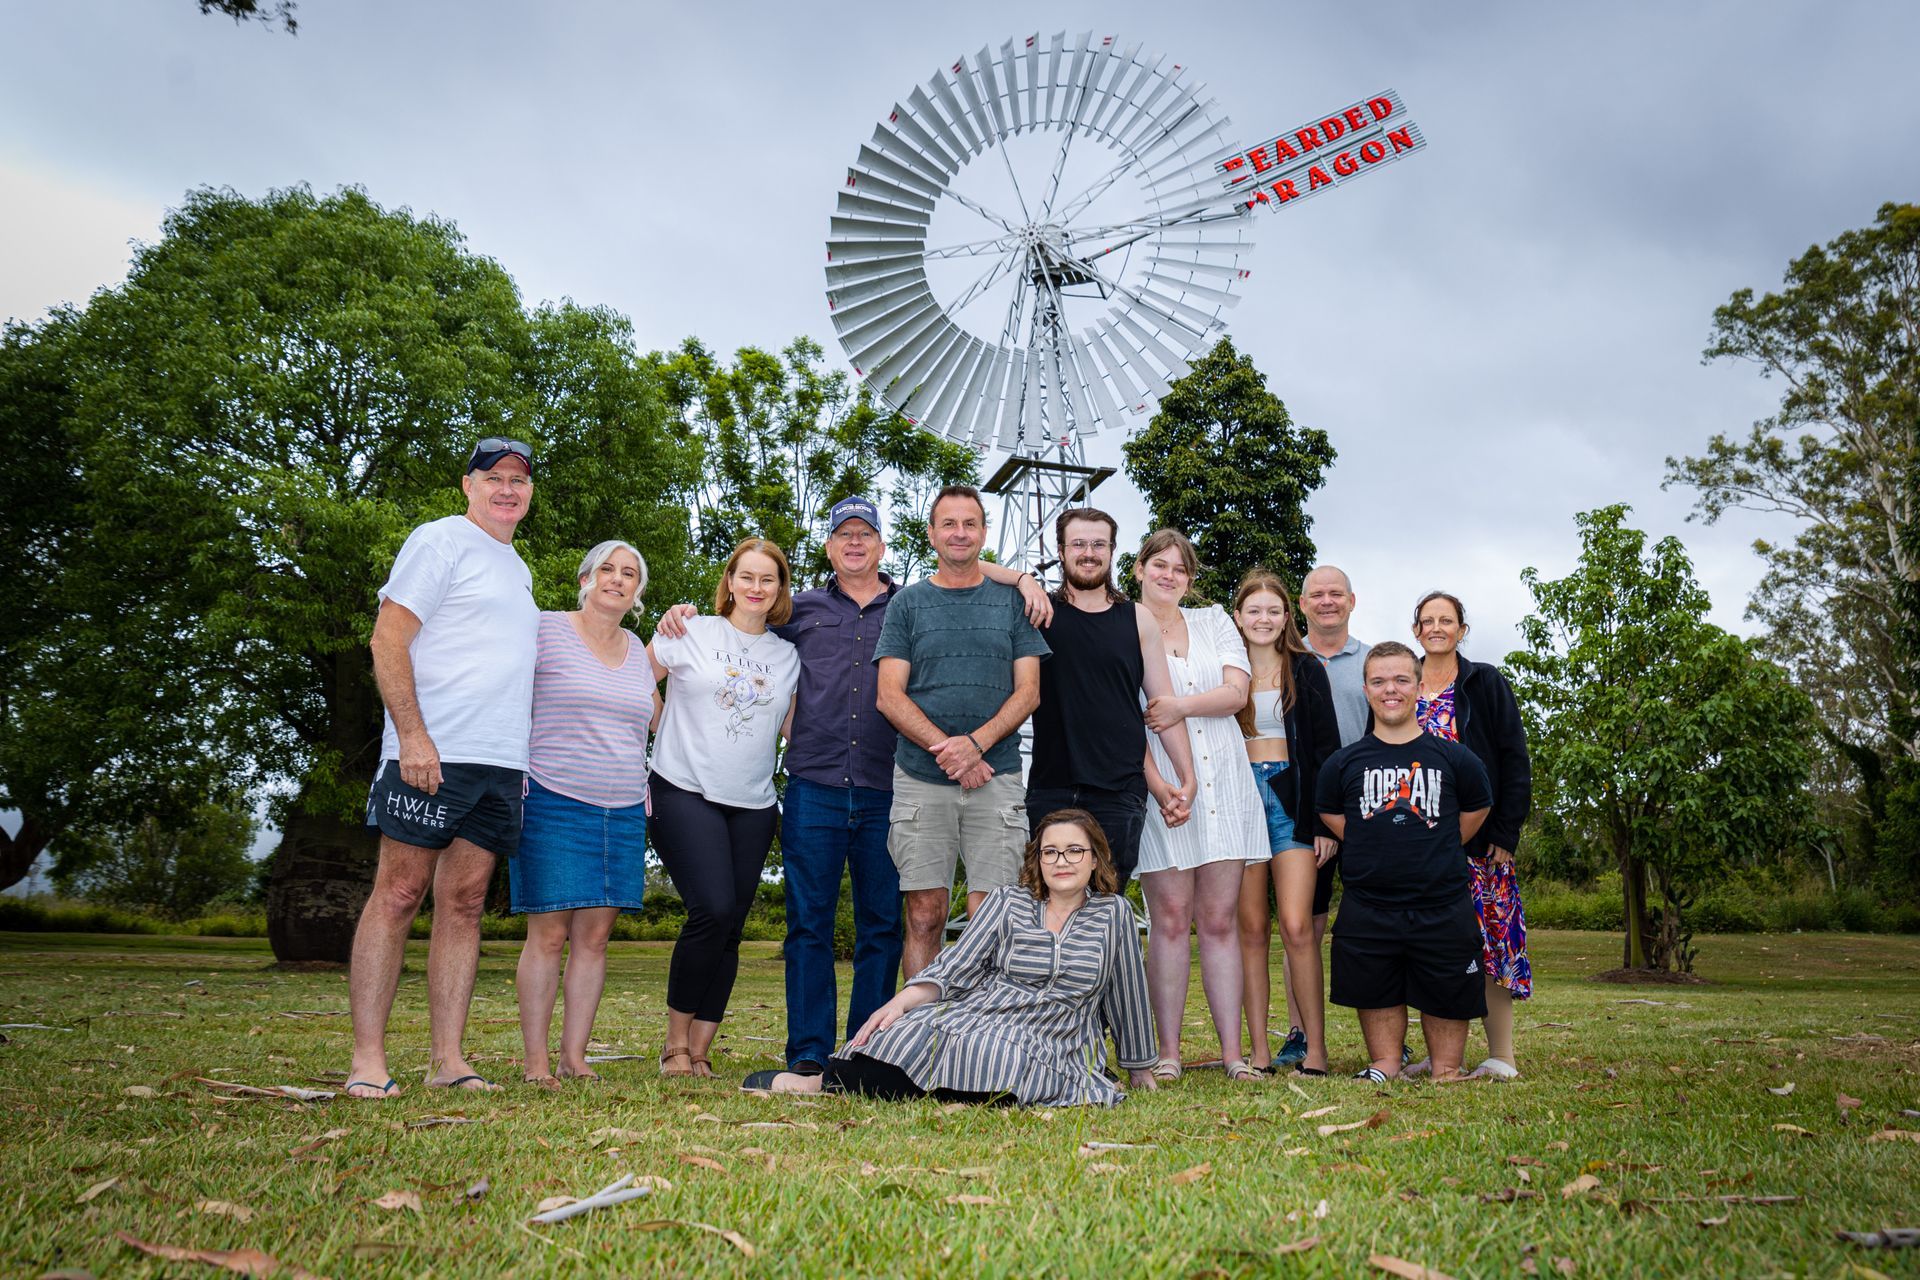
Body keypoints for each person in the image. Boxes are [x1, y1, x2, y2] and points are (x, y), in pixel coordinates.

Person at [653, 496, 1049, 1075]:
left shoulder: (912, 604)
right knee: (808, 926)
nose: (855, 543)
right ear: (830, 547)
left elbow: (961, 561)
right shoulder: (798, 613)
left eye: (866, 534)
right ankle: (809, 1053)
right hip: (813, 786)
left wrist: (1022, 577)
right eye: (844, 535)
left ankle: (867, 1049)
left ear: (882, 546)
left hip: (887, 785)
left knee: (881, 927)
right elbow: (741, 632)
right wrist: (682, 614)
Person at [345, 436, 540, 1098]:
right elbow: (388, 637)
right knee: (399, 894)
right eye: (494, 477)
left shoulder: (517, 567)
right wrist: (412, 737)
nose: (507, 489)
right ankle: (367, 1061)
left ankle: (448, 1062)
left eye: (518, 480)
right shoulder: (439, 541)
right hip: (433, 752)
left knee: (464, 904)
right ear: (468, 485)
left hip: (498, 763)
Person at [738, 809, 1158, 1105]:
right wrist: (900, 1003)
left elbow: (1128, 993)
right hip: (985, 1016)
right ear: (1038, 859)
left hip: (1056, 1036)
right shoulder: (1008, 901)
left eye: (1074, 851)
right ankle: (824, 1084)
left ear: (1095, 859)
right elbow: (956, 967)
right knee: (908, 1031)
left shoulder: (1113, 913)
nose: (1061, 861)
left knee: (1003, 1056)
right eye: (1050, 852)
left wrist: (1139, 1069)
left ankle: (944, 1089)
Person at [876, 485, 1049, 979]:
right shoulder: (907, 604)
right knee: (924, 914)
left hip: (997, 776)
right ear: (931, 534)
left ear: (983, 533)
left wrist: (975, 746)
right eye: (948, 524)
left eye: (969, 524)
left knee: (992, 917)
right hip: (920, 778)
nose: (959, 533)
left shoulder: (1013, 603)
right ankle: (920, 1025)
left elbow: (1029, 692)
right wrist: (951, 754)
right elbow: (889, 696)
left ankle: (981, 1027)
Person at [645, 538, 802, 1077]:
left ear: (779, 589)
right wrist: (661, 722)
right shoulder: (689, 630)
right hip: (683, 788)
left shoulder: (787, 656)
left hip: (754, 803)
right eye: (747, 577)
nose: (757, 588)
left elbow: (792, 727)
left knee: (731, 924)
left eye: (768, 579)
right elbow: (631, 676)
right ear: (730, 582)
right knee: (711, 909)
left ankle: (701, 1048)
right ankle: (674, 1045)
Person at [511, 540, 659, 1087]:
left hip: (623, 809)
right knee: (548, 936)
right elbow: (507, 692)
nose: (616, 579)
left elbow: (658, 722)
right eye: (607, 569)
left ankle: (574, 1058)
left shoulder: (638, 650)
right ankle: (535, 1064)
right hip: (552, 799)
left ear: (637, 590)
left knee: (594, 940)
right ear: (586, 578)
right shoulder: (545, 628)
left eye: (629, 573)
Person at [1316, 641, 1492, 1082]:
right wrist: (1372, 841)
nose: (1389, 689)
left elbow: (1477, 809)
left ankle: (1446, 1067)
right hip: (1369, 906)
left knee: (1447, 993)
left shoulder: (1455, 758)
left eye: (1400, 680)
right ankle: (1385, 1063)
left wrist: (1439, 843)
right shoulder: (1343, 763)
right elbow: (1331, 813)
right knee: (1375, 986)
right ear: (1366, 690)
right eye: (1379, 681)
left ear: (1417, 686)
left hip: (1442, 904)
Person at [1133, 529, 1268, 1083]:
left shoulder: (1213, 621)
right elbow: (1124, 716)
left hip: (1225, 783)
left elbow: (1236, 695)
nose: (1169, 576)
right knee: (1168, 919)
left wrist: (1176, 707)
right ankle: (1167, 1053)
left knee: (1218, 920)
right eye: (1159, 564)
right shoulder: (1123, 625)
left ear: (1190, 579)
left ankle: (1233, 1055)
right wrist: (1158, 784)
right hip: (1161, 785)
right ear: (1139, 569)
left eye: (1180, 568)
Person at [1027, 507, 1198, 891]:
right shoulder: (1039, 614)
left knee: (1105, 907)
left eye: (1098, 544)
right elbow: (976, 569)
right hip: (1052, 787)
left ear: (1111, 550)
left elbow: (1163, 706)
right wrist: (1022, 579)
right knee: (1052, 907)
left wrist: (1187, 780)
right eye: (1078, 544)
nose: (1089, 553)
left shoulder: (1137, 619)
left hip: (1119, 792)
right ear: (1061, 551)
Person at [1401, 591, 1534, 1081]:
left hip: (1479, 843)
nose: (1437, 628)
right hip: (1419, 843)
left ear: (1461, 630)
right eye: (1428, 620)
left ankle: (1502, 1055)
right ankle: (1442, 1056)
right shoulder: (1403, 681)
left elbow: (1513, 758)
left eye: (1447, 620)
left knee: (1492, 941)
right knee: (1430, 946)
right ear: (1416, 630)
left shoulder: (1483, 682)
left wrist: (1506, 830)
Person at [1231, 570, 1341, 1076]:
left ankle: (1315, 1050)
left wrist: (1324, 822)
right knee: (1252, 929)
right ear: (1238, 616)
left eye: (1273, 611)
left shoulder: (1306, 669)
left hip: (1291, 800)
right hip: (1240, 800)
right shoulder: (1226, 669)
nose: (1264, 619)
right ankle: (1258, 1053)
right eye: (1254, 610)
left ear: (1286, 617)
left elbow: (1327, 751)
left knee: (1297, 926)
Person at [1280, 563, 1371, 1070]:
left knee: (1373, 923)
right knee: (1304, 925)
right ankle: (1299, 1033)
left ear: (1352, 601)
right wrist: (1318, 816)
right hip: (1308, 809)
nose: (1327, 601)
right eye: (1317, 594)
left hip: (1368, 806)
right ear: (1302, 604)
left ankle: (1386, 1033)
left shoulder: (1372, 662)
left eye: (1337, 593)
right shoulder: (1286, 661)